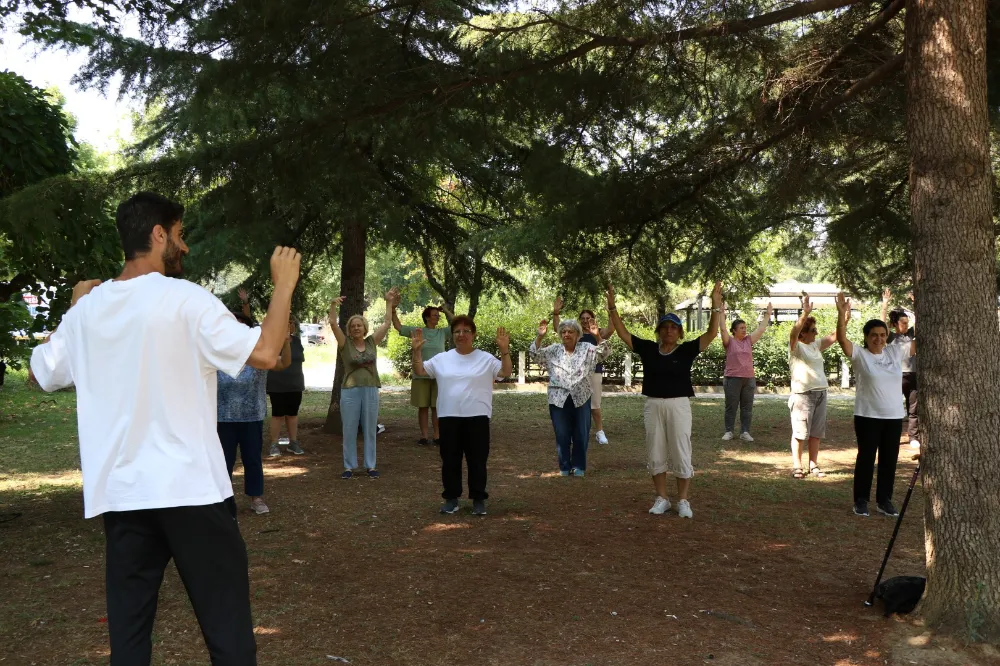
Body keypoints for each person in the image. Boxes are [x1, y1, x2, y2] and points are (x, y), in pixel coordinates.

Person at [29, 191, 300, 664]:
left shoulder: (88, 312)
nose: (185, 247)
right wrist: (283, 287)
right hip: (191, 488)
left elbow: (40, 373)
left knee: (129, 641)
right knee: (228, 629)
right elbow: (267, 355)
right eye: (180, 234)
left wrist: (73, 309)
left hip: (123, 494)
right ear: (158, 235)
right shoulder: (186, 299)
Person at [607, 281, 723, 519]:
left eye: (674, 327)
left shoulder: (686, 350)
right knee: (655, 451)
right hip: (653, 405)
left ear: (680, 332)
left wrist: (715, 305)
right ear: (659, 331)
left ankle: (683, 501)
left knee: (681, 450)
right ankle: (661, 498)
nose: (669, 331)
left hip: (679, 405)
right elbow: (623, 333)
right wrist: (612, 308)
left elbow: (712, 333)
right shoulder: (649, 349)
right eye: (665, 327)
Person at [410, 317, 512, 516]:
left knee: (477, 460)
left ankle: (478, 499)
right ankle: (451, 499)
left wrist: (504, 350)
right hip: (448, 417)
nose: (461, 335)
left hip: (477, 416)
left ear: (474, 335)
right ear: (452, 335)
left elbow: (505, 371)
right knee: (450, 460)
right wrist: (417, 351)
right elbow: (420, 370)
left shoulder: (485, 358)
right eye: (457, 331)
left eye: (466, 331)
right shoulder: (443, 358)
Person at [836, 292, 916, 518]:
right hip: (867, 416)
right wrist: (841, 315)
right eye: (874, 335)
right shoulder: (860, 355)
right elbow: (842, 340)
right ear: (866, 336)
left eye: (882, 335)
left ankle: (884, 500)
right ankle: (861, 500)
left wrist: (918, 309)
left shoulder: (894, 351)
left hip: (892, 417)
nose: (878, 339)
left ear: (887, 335)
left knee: (889, 460)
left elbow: (918, 341)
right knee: (866, 458)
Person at [217, 311, 292, 515]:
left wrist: (285, 342)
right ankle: (223, 501)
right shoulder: (218, 356)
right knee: (223, 461)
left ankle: (256, 498)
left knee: (252, 459)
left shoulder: (259, 358)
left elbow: (284, 363)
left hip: (252, 417)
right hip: (223, 418)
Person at [329, 288, 399, 480]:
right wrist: (333, 305)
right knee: (349, 429)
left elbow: (386, 323)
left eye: (359, 325)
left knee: (370, 429)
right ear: (349, 330)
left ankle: (370, 466)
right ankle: (349, 467)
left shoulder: (371, 342)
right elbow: (333, 324)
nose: (356, 328)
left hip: (370, 389)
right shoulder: (345, 344)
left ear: (365, 328)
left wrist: (388, 302)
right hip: (350, 391)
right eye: (353, 326)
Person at [530, 316, 611, 476]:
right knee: (562, 433)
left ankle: (579, 466)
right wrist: (540, 336)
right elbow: (535, 355)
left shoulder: (587, 348)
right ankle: (565, 466)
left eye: (570, 332)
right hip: (558, 398)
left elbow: (605, 353)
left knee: (581, 433)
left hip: (581, 397)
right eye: (564, 331)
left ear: (578, 334)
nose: (567, 334)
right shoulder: (553, 350)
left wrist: (597, 336)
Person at [551, 296, 616, 445]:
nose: (586, 320)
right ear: (580, 320)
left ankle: (600, 432)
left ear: (593, 319)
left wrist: (610, 312)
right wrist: (556, 313)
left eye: (589, 318)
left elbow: (611, 329)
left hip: (594, 372)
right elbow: (558, 329)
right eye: (583, 318)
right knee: (575, 403)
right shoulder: (575, 334)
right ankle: (575, 433)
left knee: (595, 404)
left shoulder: (598, 332)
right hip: (577, 373)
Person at [787, 295, 837, 479]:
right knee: (800, 433)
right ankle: (797, 466)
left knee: (816, 433)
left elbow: (835, 336)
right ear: (804, 333)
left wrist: (843, 316)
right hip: (803, 395)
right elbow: (793, 333)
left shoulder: (815, 345)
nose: (816, 333)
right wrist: (804, 313)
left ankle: (813, 465)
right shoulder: (796, 347)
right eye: (813, 330)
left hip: (820, 393)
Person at [392, 302, 454, 445]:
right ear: (427, 317)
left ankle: (437, 436)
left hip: (439, 376)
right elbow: (398, 327)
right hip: (421, 375)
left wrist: (445, 310)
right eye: (435, 315)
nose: (437, 317)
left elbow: (459, 325)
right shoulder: (418, 331)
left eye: (438, 315)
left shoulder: (442, 333)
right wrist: (393, 310)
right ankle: (424, 436)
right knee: (423, 406)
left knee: (437, 406)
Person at [719, 301, 772, 442]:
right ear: (734, 331)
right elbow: (723, 330)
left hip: (749, 379)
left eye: (745, 327)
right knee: (731, 407)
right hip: (732, 379)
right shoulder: (729, 342)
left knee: (747, 408)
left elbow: (760, 330)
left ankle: (745, 432)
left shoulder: (748, 340)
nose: (744, 330)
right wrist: (721, 314)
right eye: (741, 328)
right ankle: (729, 431)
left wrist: (767, 315)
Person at [882, 289, 919, 449]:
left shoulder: (911, 334)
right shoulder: (890, 337)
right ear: (895, 324)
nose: (906, 325)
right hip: (896, 376)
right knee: (894, 407)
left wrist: (915, 303)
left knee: (914, 408)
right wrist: (885, 304)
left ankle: (913, 437)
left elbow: (919, 322)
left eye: (907, 322)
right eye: (903, 322)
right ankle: (891, 436)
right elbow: (882, 323)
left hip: (913, 375)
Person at [266, 314, 307, 457]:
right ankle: (274, 444)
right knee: (277, 414)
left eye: (292, 323)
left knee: (292, 414)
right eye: (286, 323)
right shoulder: (273, 341)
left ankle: (293, 443)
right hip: (276, 384)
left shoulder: (297, 341)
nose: (289, 325)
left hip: (295, 384)